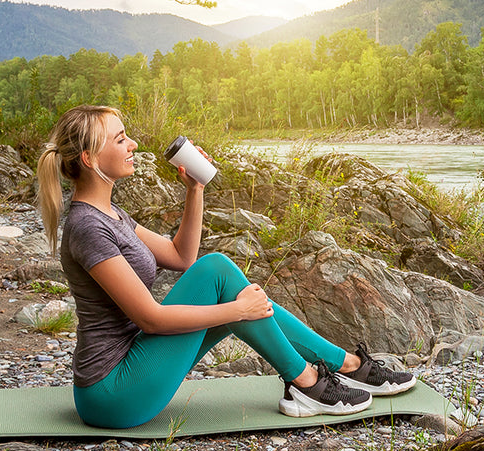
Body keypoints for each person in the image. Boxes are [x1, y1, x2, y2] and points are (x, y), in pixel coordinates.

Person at [36, 105, 416, 429]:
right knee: (218, 271)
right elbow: (150, 318)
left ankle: (340, 366)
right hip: (113, 392)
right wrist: (237, 310)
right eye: (120, 140)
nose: (133, 144)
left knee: (219, 273)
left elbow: (181, 257)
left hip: (135, 363)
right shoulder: (88, 226)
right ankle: (312, 381)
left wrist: (194, 189)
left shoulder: (111, 214)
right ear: (89, 158)